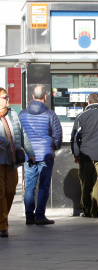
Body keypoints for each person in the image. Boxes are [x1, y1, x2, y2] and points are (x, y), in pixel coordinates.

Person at [19, 85, 62, 225]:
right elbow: (57, 134)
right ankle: (40, 215)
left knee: (29, 186)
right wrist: (54, 147)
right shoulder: (50, 114)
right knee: (43, 186)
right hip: (45, 155)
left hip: (29, 156)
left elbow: (19, 135)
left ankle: (29, 216)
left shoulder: (22, 114)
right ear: (45, 96)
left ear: (32, 97)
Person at [0, 87, 35, 236]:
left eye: (7, 96)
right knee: (0, 193)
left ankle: (2, 219)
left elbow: (22, 134)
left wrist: (31, 153)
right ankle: (3, 227)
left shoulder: (13, 114)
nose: (8, 99)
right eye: (4, 97)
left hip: (11, 160)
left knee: (10, 191)